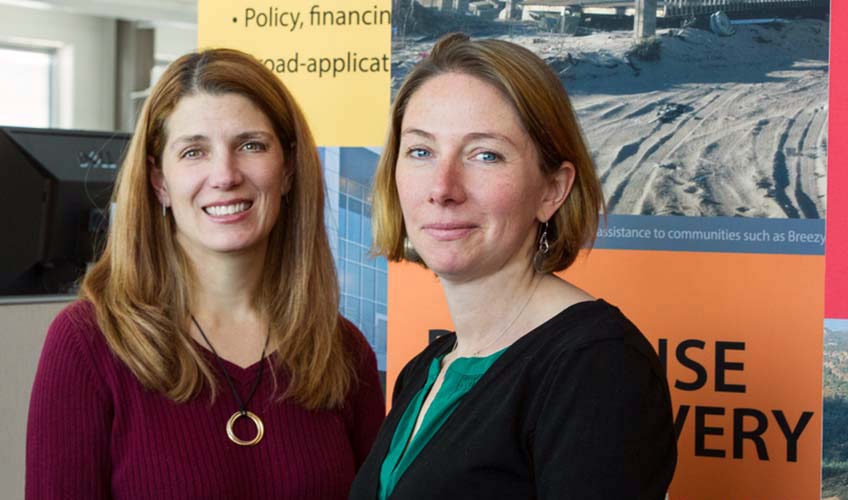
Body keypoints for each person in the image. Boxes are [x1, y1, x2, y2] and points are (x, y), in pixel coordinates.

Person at [26, 48, 385, 499]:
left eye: (251, 145)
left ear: (289, 168)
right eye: (194, 151)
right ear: (159, 181)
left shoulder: (343, 352)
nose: (225, 174)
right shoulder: (88, 344)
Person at [349, 33, 676, 499]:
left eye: (485, 155)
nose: (442, 188)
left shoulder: (597, 368)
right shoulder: (428, 368)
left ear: (552, 190)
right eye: (421, 151)